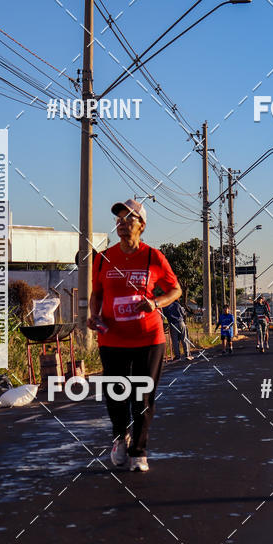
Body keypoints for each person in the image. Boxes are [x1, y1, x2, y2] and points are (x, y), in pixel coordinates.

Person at [88, 200, 182, 473]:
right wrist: (94, 315)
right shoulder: (103, 258)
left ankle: (139, 451)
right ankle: (120, 438)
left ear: (142, 225)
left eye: (129, 218)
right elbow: (97, 293)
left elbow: (175, 290)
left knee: (142, 396)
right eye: (119, 217)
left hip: (149, 338)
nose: (122, 222)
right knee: (116, 395)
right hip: (112, 338)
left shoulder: (153, 257)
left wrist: (156, 303)